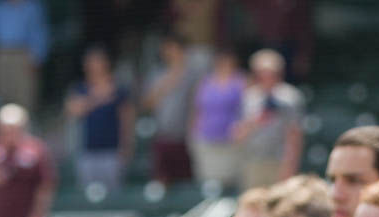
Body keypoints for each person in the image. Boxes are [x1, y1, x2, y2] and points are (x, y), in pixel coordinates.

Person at [233, 48, 303, 189]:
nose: (267, 78)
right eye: (261, 73)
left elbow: (295, 135)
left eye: (272, 74)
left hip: (279, 162)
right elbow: (237, 135)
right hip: (253, 162)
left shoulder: (291, 97)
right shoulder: (248, 97)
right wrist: (255, 121)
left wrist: (289, 166)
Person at [66, 47, 134, 191]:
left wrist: (126, 146)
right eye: (90, 62)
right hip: (87, 151)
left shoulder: (119, 89)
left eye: (98, 62)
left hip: (112, 151)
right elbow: (74, 110)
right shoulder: (79, 88)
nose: (94, 66)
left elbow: (127, 119)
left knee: (114, 193)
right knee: (87, 194)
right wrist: (100, 97)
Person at [0, 0, 48, 110]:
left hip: (23, 55)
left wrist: (36, 58)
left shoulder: (31, 7)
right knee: (1, 97)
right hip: (0, 55)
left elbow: (39, 33)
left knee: (25, 98)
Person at [142, 34, 197, 185]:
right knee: (161, 180)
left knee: (186, 181)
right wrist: (167, 83)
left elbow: (197, 105)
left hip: (186, 137)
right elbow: (147, 104)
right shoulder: (157, 74)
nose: (169, 53)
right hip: (163, 135)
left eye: (173, 49)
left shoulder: (193, 75)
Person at [189, 50, 246, 188]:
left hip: (232, 140)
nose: (224, 65)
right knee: (208, 182)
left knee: (231, 181)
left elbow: (247, 110)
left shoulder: (242, 81)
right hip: (206, 138)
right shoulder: (205, 82)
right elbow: (196, 109)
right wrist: (192, 133)